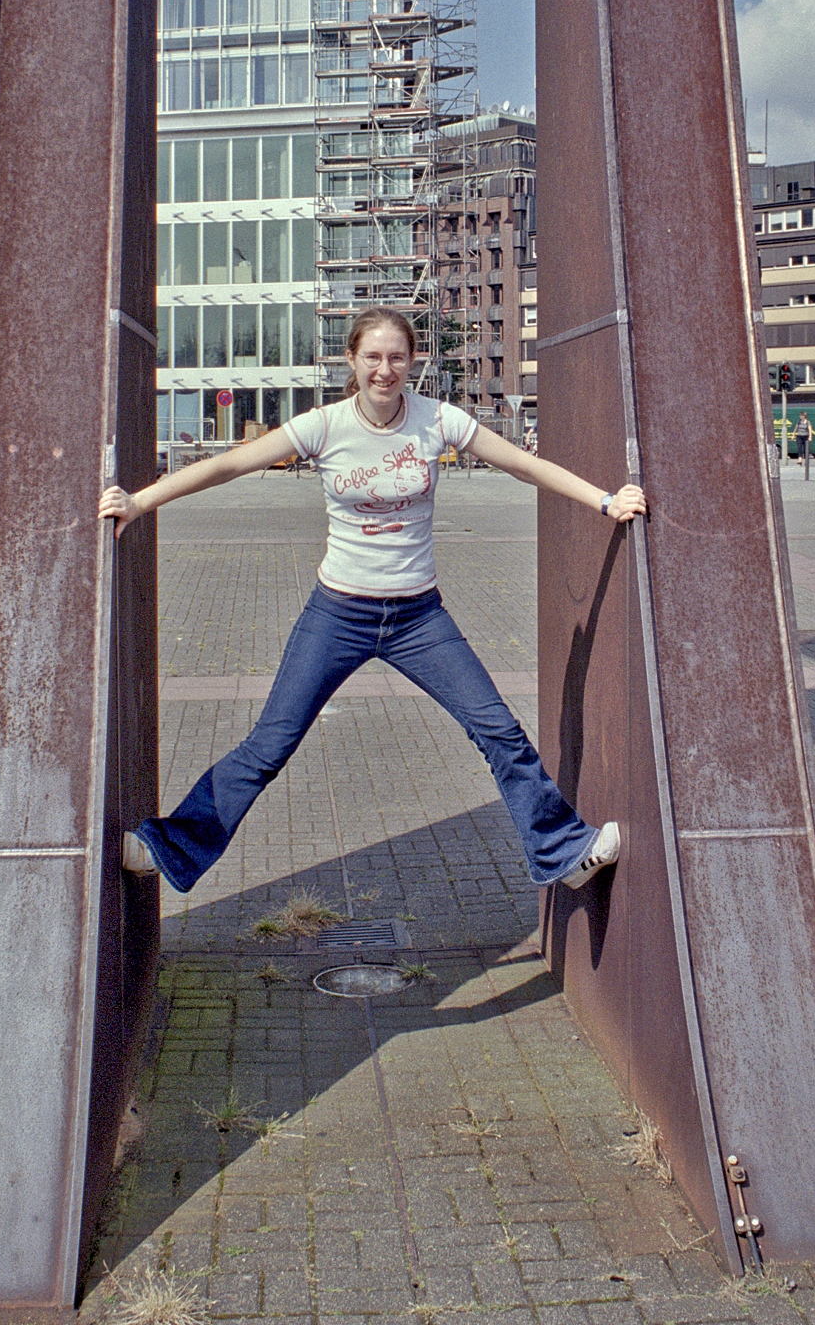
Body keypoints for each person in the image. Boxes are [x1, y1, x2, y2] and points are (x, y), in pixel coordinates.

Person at [98, 307, 644, 896]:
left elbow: (523, 464)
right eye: (373, 357)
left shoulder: (438, 420)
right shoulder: (325, 426)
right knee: (269, 745)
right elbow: (228, 463)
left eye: (397, 358)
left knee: (499, 732)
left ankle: (563, 852)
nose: (385, 370)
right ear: (353, 360)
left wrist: (605, 499)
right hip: (337, 614)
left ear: (413, 362)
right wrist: (141, 501)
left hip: (419, 617)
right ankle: (165, 848)